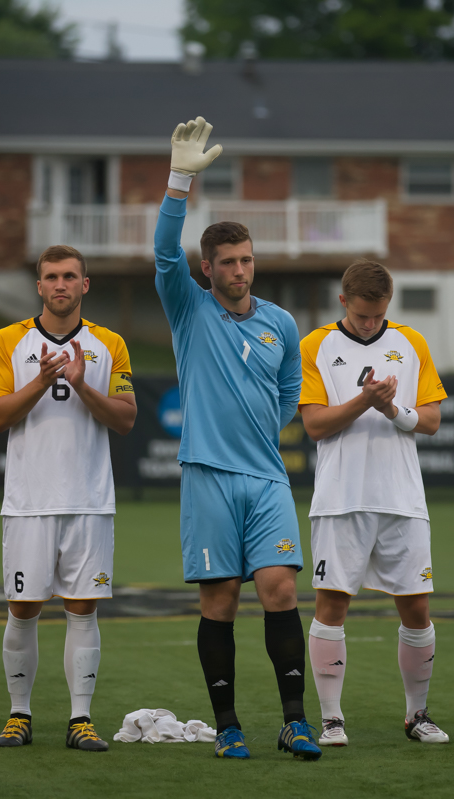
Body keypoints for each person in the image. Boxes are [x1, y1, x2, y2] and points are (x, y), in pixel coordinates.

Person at [154, 116, 321, 761]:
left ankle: (294, 722)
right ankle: (227, 727)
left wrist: (258, 433)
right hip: (206, 478)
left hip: (267, 478)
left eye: (247, 261)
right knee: (219, 600)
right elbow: (165, 254)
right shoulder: (189, 308)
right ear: (210, 268)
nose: (240, 271)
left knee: (280, 589)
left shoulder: (280, 322)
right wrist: (178, 183)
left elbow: (287, 393)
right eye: (228, 263)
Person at [0, 245, 137, 751]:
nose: (61, 284)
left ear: (85, 285)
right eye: (52, 277)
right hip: (28, 502)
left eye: (71, 276)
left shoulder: (110, 343)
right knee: (22, 608)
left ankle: (80, 719)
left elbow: (126, 418)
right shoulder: (10, 340)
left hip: (89, 500)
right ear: (40, 286)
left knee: (83, 609)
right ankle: (19, 714)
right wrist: (42, 381)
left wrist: (83, 384)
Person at [300, 259, 449, 747]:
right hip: (341, 497)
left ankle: (417, 714)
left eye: (378, 314)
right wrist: (366, 401)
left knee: (417, 607)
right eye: (362, 315)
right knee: (331, 605)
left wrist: (391, 407)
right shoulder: (316, 345)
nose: (370, 323)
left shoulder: (411, 342)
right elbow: (316, 425)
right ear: (343, 302)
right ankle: (331, 718)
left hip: (402, 498)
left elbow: (429, 420)